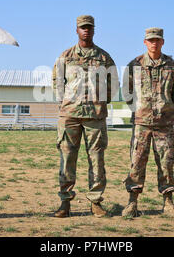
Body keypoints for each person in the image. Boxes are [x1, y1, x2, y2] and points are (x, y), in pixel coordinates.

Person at [52, 15, 119, 218]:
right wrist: (67, 101)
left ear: (94, 30)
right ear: (77, 30)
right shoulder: (66, 56)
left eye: (89, 27)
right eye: (83, 27)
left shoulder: (104, 58)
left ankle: (95, 202)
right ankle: (65, 202)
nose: (86, 31)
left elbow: (113, 85)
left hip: (95, 117)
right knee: (67, 159)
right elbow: (57, 82)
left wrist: (99, 102)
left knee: (97, 159)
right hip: (70, 115)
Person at [121, 27, 174, 218]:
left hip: (164, 124)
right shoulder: (135, 65)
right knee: (137, 162)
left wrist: (166, 109)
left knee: (166, 163)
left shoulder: (172, 65)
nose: (154, 43)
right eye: (150, 40)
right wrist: (140, 109)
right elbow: (127, 92)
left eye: (157, 40)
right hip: (141, 123)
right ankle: (132, 203)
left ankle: (168, 203)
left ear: (162, 42)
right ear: (145, 42)